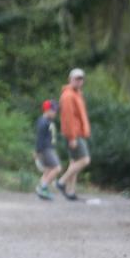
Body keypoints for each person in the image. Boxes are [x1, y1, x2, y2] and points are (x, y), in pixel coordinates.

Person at [56, 68, 91, 201]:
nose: (79, 81)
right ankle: (61, 182)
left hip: (78, 133)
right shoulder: (68, 96)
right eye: (76, 79)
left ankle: (71, 192)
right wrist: (72, 137)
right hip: (74, 134)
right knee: (84, 160)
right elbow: (67, 118)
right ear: (70, 79)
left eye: (81, 79)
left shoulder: (77, 94)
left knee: (74, 162)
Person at [33, 99, 61, 200]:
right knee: (57, 168)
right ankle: (43, 187)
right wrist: (37, 151)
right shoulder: (43, 121)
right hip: (45, 148)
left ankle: (41, 189)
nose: (55, 113)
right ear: (47, 110)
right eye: (53, 110)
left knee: (49, 169)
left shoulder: (48, 121)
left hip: (49, 148)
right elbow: (39, 137)